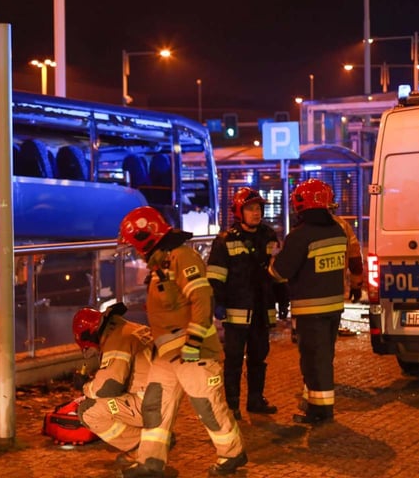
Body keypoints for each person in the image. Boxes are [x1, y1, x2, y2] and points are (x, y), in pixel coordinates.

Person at [117, 206, 246, 477]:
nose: (134, 251)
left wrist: (194, 342)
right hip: (168, 355)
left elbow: (202, 298)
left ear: (145, 237)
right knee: (155, 405)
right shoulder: (161, 263)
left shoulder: (181, 256)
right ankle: (150, 463)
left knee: (207, 406)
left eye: (134, 244)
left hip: (192, 352)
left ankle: (232, 453)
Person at [268, 179, 347, 425]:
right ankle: (321, 408)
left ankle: (319, 412)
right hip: (334, 308)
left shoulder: (300, 236)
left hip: (311, 310)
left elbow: (280, 272)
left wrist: (270, 262)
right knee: (324, 359)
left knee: (313, 362)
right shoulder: (338, 231)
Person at [207, 187, 288, 421]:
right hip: (236, 312)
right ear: (238, 212)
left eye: (259, 208)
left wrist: (283, 300)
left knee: (259, 358)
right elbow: (215, 276)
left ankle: (255, 400)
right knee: (232, 360)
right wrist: (217, 303)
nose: (256, 213)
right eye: (250, 208)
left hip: (262, 310)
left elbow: (277, 274)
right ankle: (232, 406)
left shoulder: (269, 237)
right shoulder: (225, 241)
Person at [72, 303, 153, 467]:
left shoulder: (117, 339)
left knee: (88, 410)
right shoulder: (130, 328)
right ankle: (158, 435)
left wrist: (85, 387)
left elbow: (108, 387)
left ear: (90, 334)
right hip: (164, 396)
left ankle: (146, 446)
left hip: (150, 403)